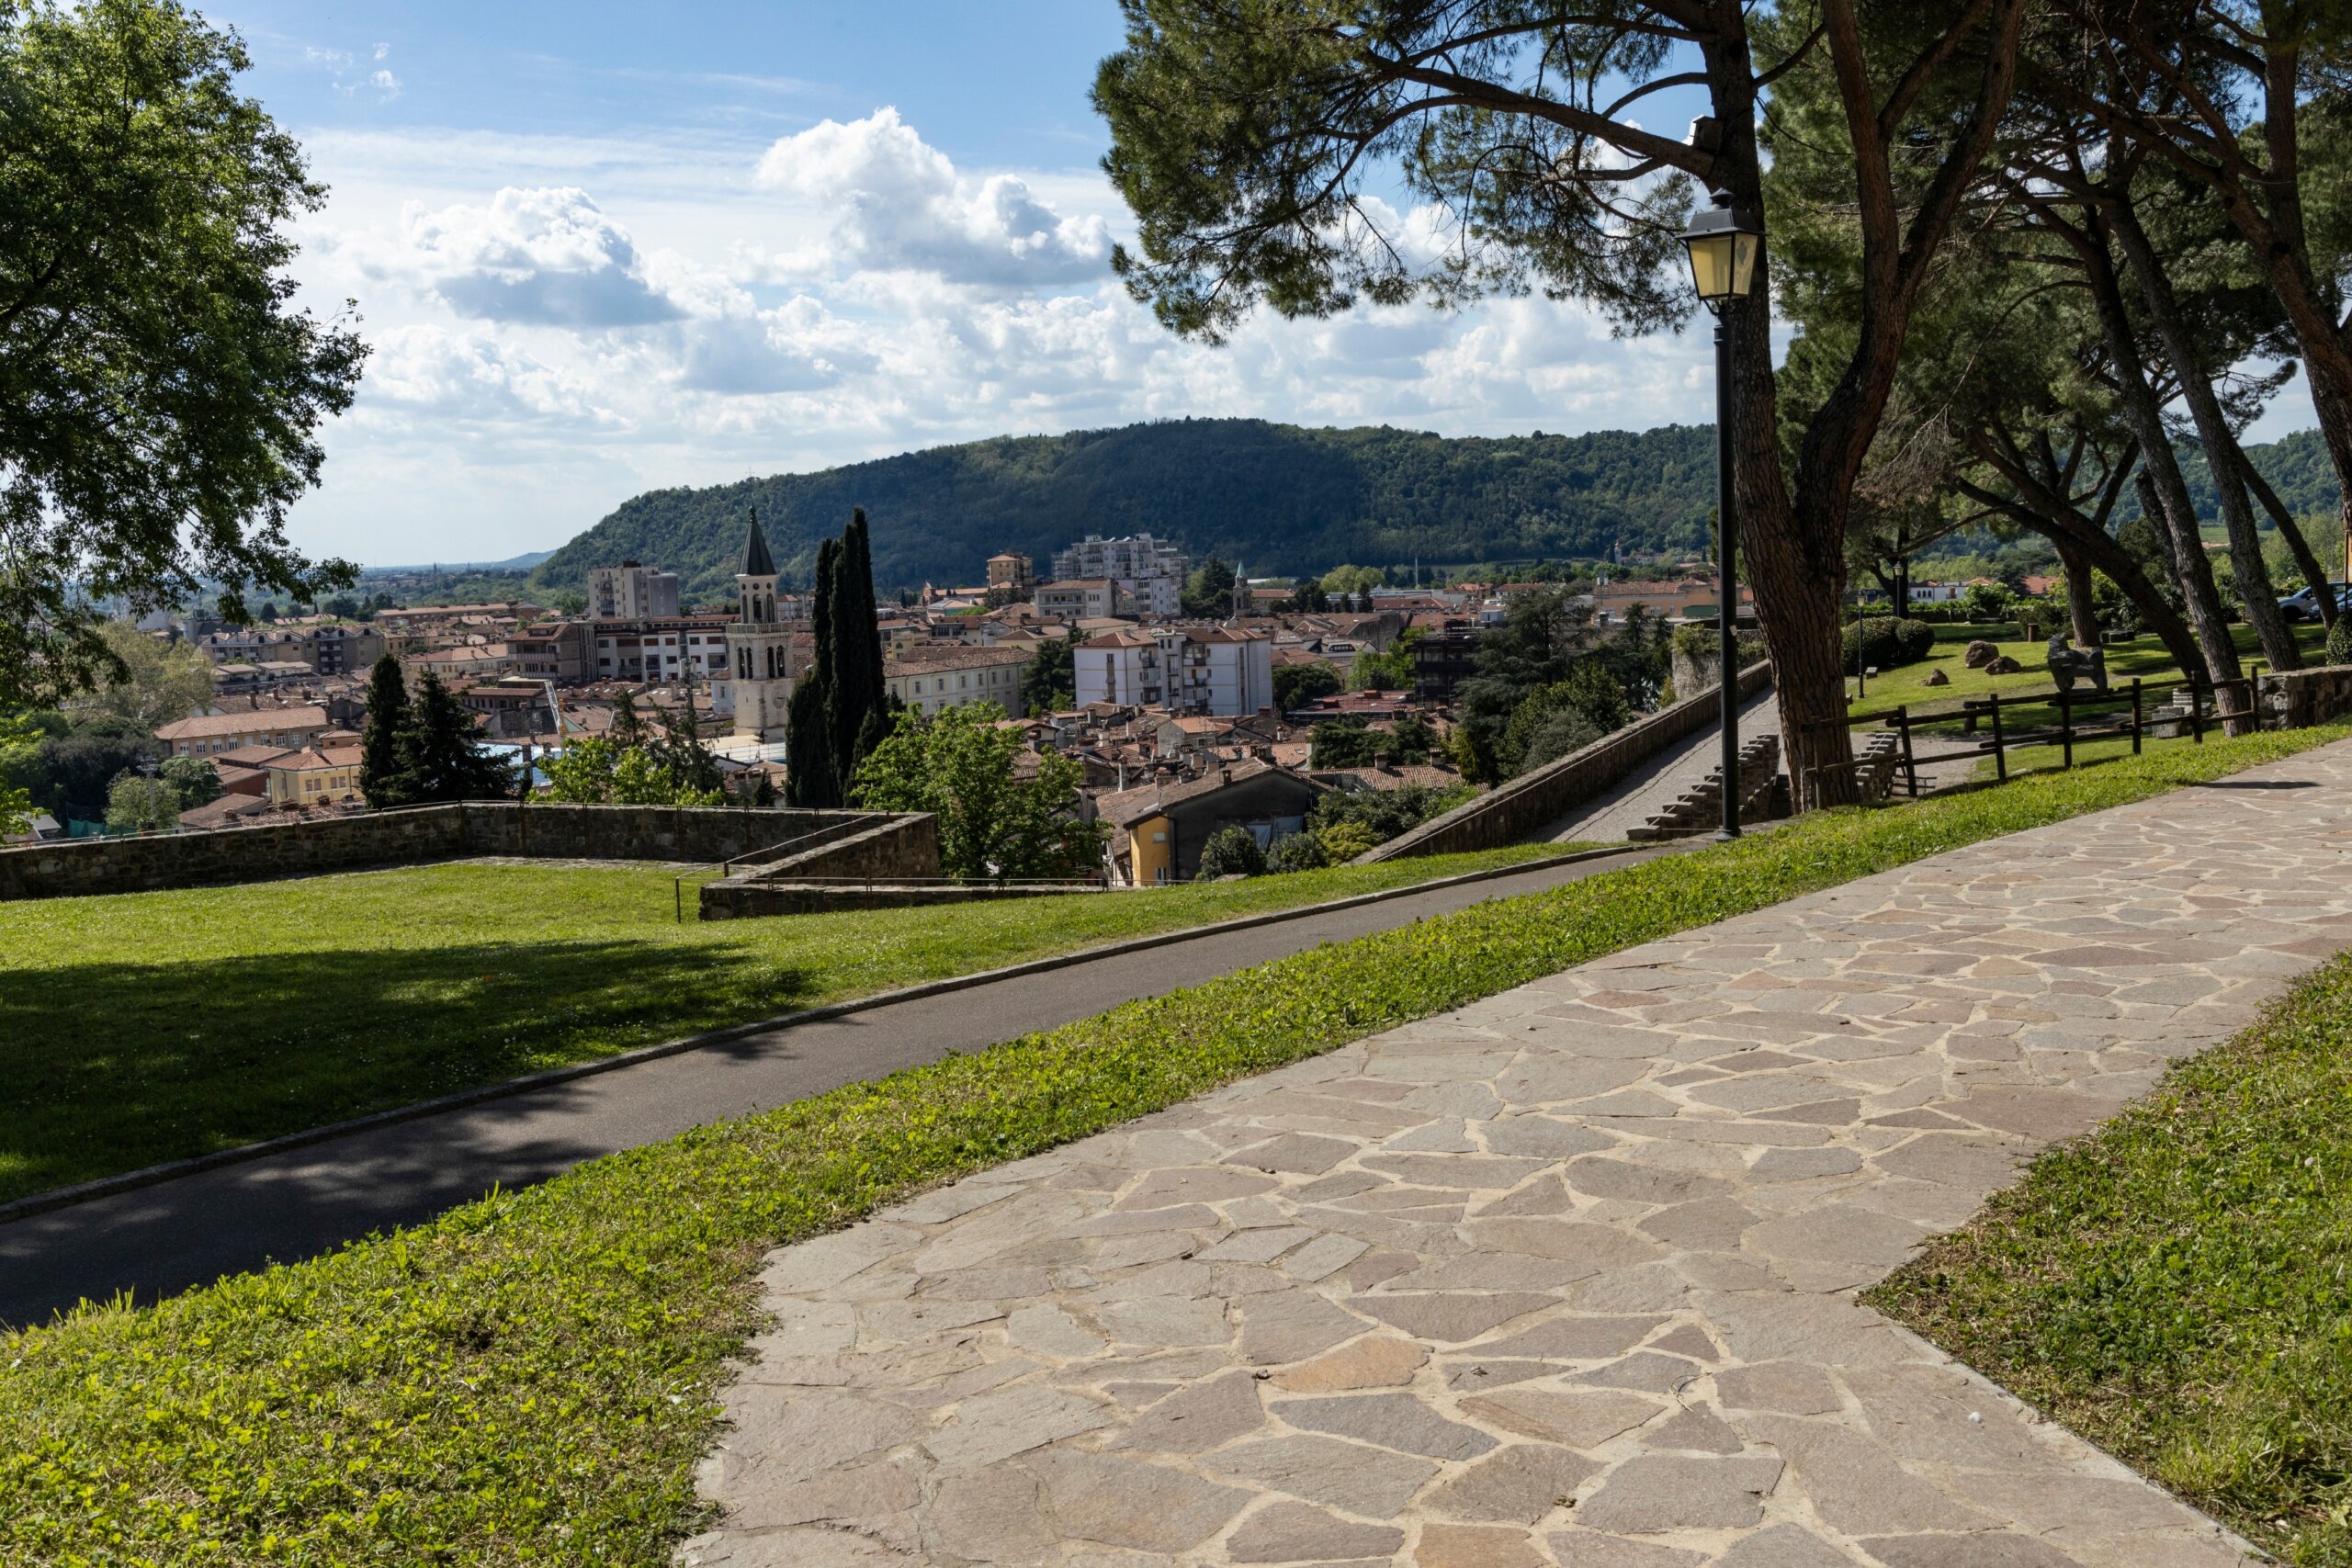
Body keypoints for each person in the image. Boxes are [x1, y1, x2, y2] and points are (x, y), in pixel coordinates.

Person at [2046, 630, 2109, 694]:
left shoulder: (2072, 654)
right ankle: (2101, 687)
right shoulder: (2056, 655)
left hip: (2079, 662)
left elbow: (2070, 656)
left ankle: (2101, 687)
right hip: (2066, 668)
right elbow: (2059, 659)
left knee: (2097, 660)